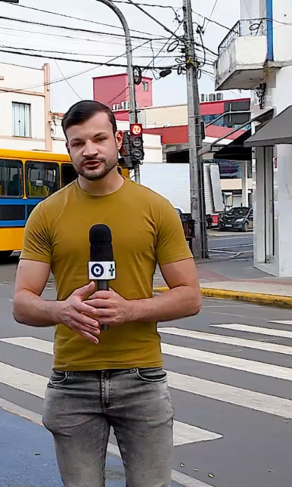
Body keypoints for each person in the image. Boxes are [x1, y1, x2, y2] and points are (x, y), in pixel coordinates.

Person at [12, 100, 202, 487]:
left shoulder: (156, 209)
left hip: (141, 379)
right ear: (69, 149)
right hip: (72, 382)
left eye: (99, 139)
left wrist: (130, 311)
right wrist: (61, 311)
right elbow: (22, 302)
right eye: (78, 143)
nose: (90, 150)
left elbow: (190, 296)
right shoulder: (46, 214)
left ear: (117, 141)